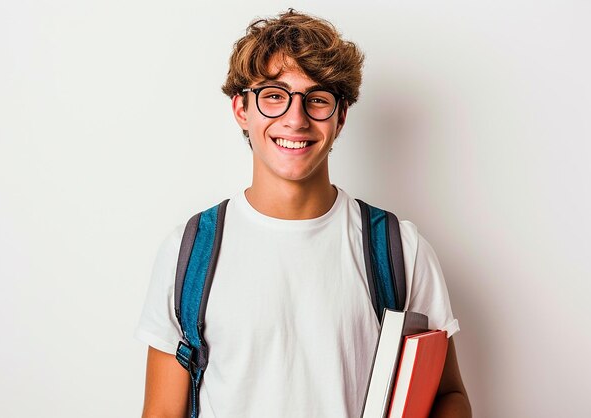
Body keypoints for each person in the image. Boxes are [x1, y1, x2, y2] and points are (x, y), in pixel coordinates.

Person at [136, 9, 471, 418]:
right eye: (274, 96)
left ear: (340, 116)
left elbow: (450, 397)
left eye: (316, 99)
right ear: (242, 109)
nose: (295, 119)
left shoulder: (400, 247)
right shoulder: (188, 252)